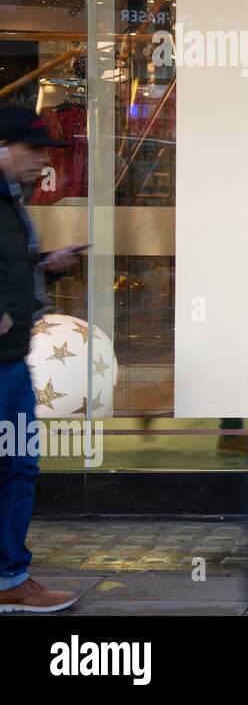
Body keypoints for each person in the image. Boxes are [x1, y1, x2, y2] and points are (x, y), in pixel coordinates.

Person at [0, 106, 86, 613]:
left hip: (11, 358)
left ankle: (10, 575)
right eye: (33, 151)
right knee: (17, 468)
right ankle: (10, 579)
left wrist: (48, 269)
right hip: (3, 365)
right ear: (4, 148)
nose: (40, 162)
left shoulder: (13, 201)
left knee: (16, 468)